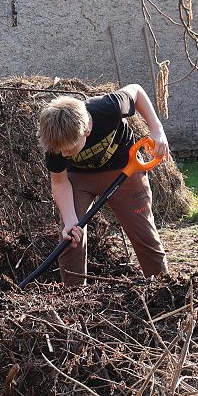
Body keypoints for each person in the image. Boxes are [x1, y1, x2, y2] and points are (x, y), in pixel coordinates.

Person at [36, 84, 171, 286]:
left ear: (86, 130)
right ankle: (73, 296)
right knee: (71, 237)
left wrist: (157, 130)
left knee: (144, 235)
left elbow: (136, 91)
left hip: (124, 169)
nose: (63, 154)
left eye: (69, 149)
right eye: (60, 151)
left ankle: (163, 289)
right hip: (79, 178)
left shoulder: (108, 108)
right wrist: (70, 219)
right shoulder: (55, 142)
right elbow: (60, 181)